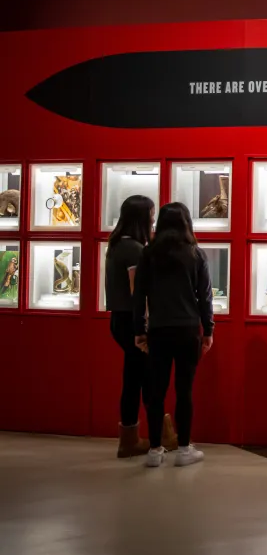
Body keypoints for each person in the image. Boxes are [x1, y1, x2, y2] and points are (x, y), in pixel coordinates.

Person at [132, 203, 214, 468]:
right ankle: (183, 449)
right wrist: (208, 329)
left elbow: (139, 296)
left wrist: (138, 330)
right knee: (184, 390)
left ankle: (155, 449)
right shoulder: (196, 254)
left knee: (156, 391)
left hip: (159, 330)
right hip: (188, 330)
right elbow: (205, 297)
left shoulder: (149, 254)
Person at [106, 195, 167, 458]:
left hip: (120, 319)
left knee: (135, 377)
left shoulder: (118, 244)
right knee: (144, 379)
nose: (153, 219)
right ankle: (156, 436)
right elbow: (137, 290)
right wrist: (145, 326)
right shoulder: (134, 249)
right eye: (151, 214)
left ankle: (134, 436)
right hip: (132, 321)